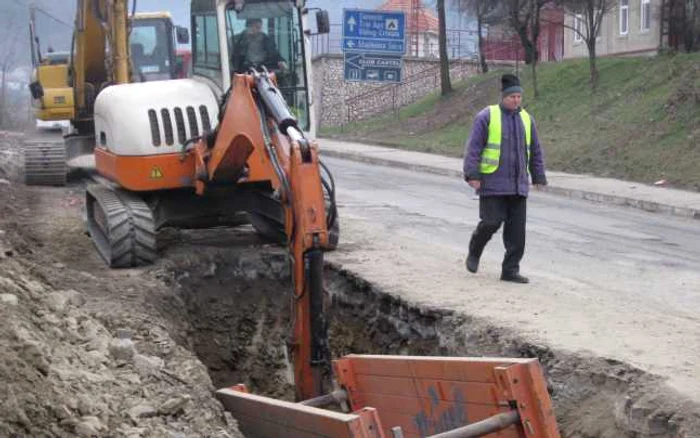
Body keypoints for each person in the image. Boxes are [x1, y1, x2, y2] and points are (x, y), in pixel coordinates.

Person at [462, 74, 547, 284]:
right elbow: (474, 148)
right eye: (512, 97)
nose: (516, 100)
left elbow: (535, 150)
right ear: (503, 96)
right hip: (492, 183)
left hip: (518, 185)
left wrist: (538, 176)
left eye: (519, 96)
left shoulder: (527, 119)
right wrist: (472, 175)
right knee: (491, 222)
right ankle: (475, 249)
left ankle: (510, 270)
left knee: (517, 233)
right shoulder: (486, 116)